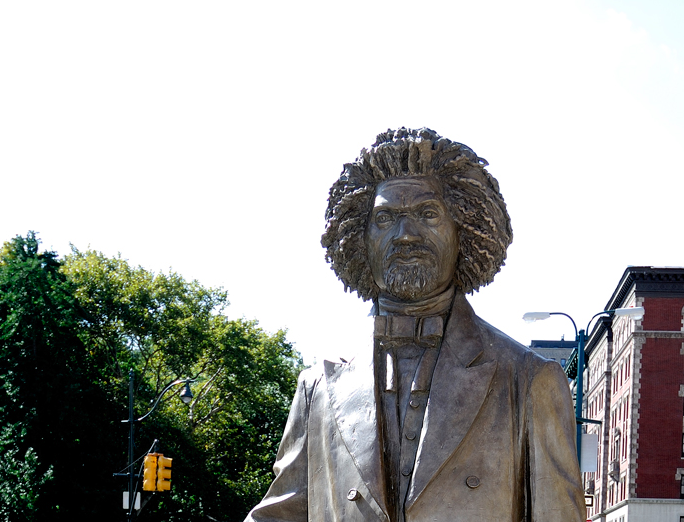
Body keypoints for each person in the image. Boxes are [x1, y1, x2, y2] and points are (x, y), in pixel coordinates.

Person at [245, 128, 586, 522]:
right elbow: (278, 515)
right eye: (386, 218)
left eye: (427, 214)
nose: (405, 235)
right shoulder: (317, 388)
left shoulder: (527, 380)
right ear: (360, 237)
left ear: (466, 230)